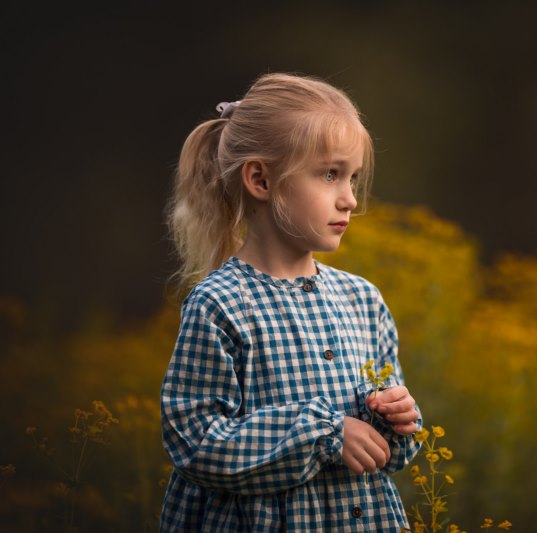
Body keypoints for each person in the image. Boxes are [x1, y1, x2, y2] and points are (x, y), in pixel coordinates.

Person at [159, 72, 422, 531]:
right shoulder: (221, 304)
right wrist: (322, 434)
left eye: (353, 178)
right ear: (260, 179)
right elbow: (194, 441)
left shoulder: (363, 300)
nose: (349, 200)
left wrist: (398, 420)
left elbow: (384, 449)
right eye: (330, 175)